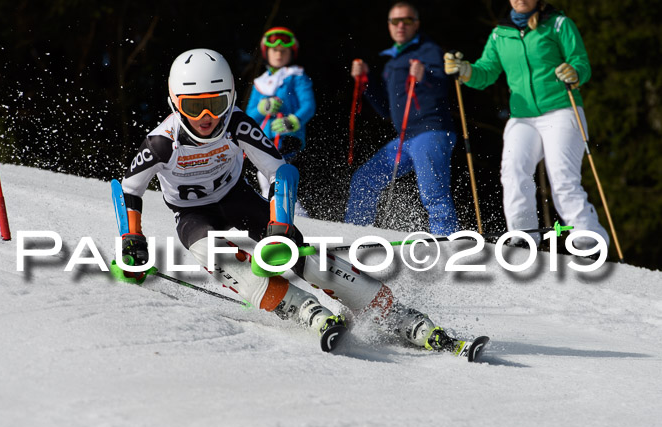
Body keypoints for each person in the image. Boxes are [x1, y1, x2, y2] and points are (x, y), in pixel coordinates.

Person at [117, 48, 465, 354]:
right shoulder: (162, 143)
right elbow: (128, 189)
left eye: (216, 104)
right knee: (215, 256)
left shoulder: (238, 124)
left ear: (232, 97)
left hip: (237, 197)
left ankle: (395, 314)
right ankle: (303, 309)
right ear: (175, 104)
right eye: (194, 107)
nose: (207, 118)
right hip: (192, 214)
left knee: (298, 253)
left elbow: (280, 173)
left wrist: (279, 224)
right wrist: (131, 238)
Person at [444, 0, 609, 248]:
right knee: (513, 171)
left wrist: (574, 73)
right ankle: (523, 239)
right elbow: (486, 72)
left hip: (561, 110)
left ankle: (589, 241)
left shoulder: (558, 25)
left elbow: (581, 62)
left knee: (563, 179)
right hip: (522, 117)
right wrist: (465, 70)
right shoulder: (500, 34)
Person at [345, 1, 459, 236]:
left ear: (416, 24)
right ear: (389, 25)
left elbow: (445, 86)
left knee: (433, 194)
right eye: (395, 21)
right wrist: (365, 81)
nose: (400, 25)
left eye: (406, 20)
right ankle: (352, 236)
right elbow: (387, 109)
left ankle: (447, 242)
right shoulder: (393, 62)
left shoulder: (429, 51)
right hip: (406, 138)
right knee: (364, 180)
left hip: (431, 131)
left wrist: (425, 74)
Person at [246, 27, 315, 215]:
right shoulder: (261, 82)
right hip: (264, 139)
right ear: (266, 53)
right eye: (274, 50)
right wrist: (261, 109)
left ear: (291, 53)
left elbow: (308, 105)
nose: (278, 53)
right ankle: (274, 209)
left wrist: (294, 120)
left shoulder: (297, 77)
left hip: (289, 138)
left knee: (276, 173)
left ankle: (294, 213)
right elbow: (248, 116)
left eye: (283, 51)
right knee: (265, 174)